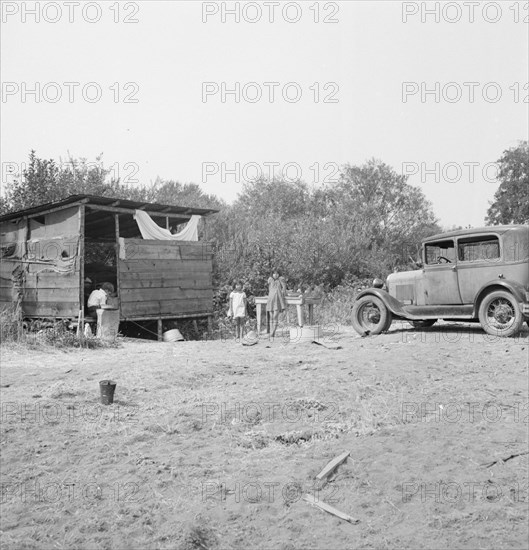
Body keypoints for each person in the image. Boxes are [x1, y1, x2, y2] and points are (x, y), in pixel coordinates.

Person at [266, 269, 286, 338]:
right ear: (272, 274)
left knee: (275, 317)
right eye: (274, 273)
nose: (276, 275)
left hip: (278, 300)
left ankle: (272, 332)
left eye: (277, 273)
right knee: (271, 317)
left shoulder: (280, 280)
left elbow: (284, 288)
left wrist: (283, 292)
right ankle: (272, 332)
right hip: (271, 299)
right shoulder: (270, 279)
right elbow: (269, 287)